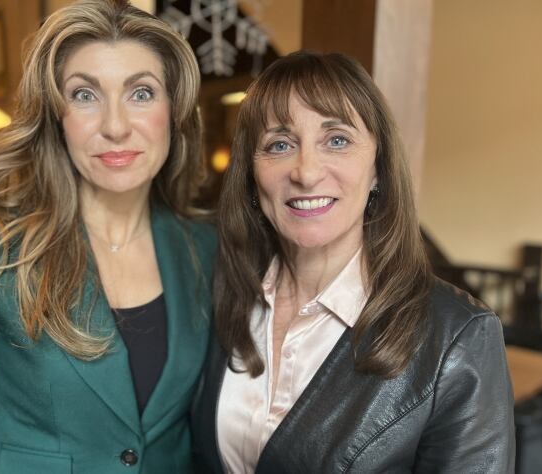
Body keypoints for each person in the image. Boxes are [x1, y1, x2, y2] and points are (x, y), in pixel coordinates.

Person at [0, 1, 216, 472]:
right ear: (56, 118)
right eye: (85, 95)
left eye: (141, 93)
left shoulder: (206, 248)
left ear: (174, 109)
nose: (115, 126)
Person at [191, 51, 514, 473]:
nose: (306, 172)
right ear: (252, 175)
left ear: (378, 168)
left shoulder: (459, 337)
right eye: (280, 144)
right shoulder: (222, 288)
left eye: (337, 140)